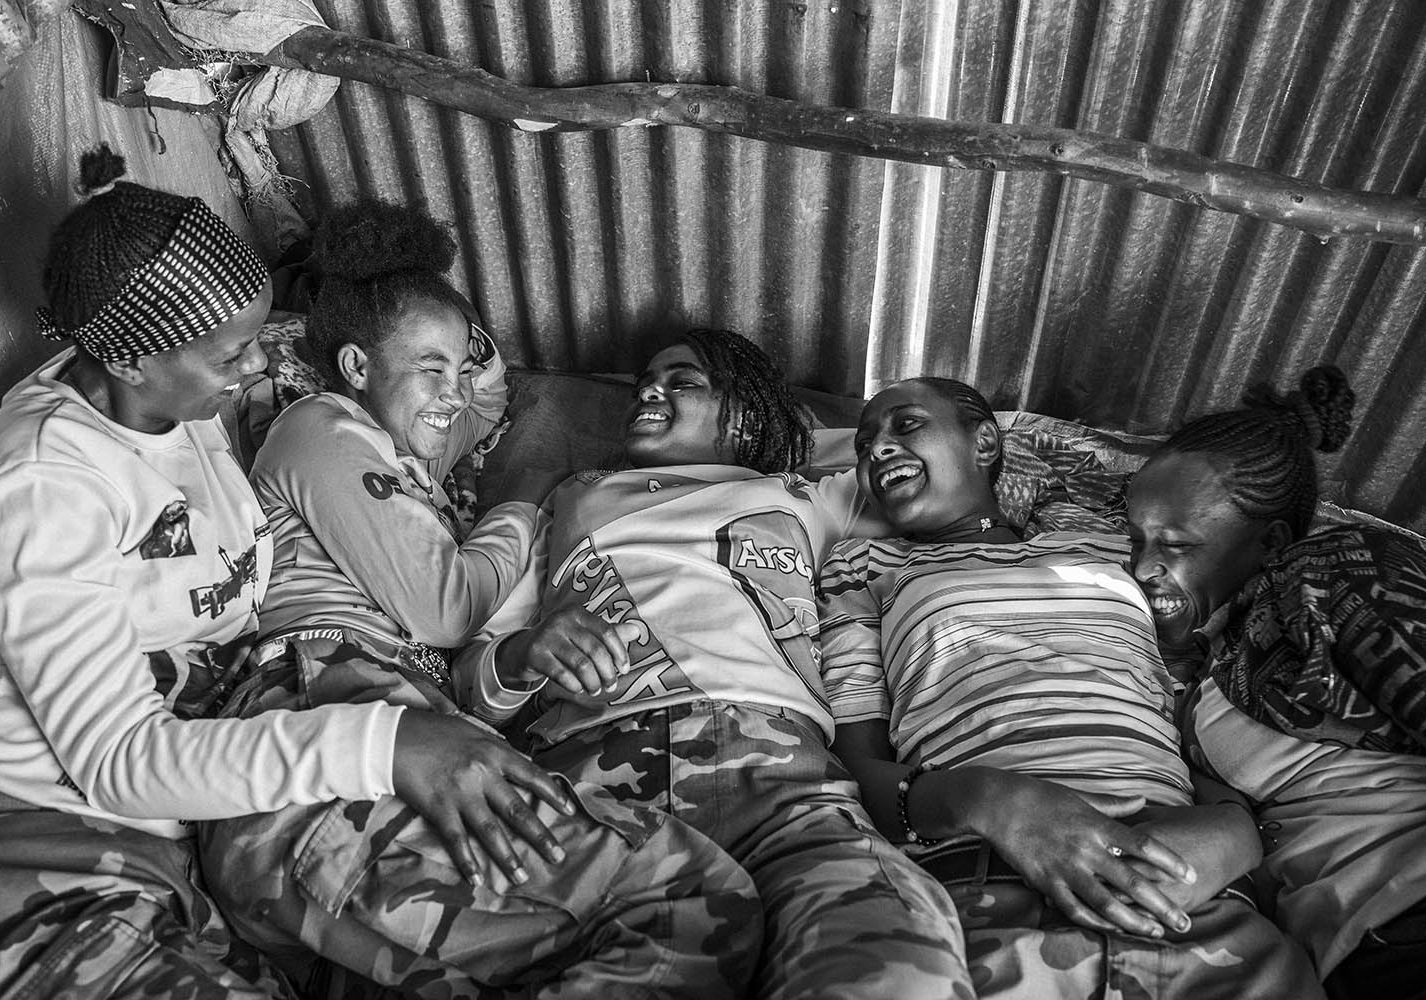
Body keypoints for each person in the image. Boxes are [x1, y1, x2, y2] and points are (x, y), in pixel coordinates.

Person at [199, 204, 762, 998]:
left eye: (458, 367)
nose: (452, 391)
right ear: (357, 366)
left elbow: (491, 401)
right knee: (693, 898)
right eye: (429, 368)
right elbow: (447, 608)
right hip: (324, 710)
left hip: (374, 752)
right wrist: (521, 508)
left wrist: (456, 343)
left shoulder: (406, 463)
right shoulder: (323, 425)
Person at [455, 329, 973, 1000]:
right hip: (601, 781)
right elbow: (471, 681)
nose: (649, 389)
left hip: (785, 783)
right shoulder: (570, 500)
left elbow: (908, 453)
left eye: (682, 382)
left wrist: (783, 436)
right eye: (647, 378)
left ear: (746, 415)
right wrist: (526, 654)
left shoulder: (801, 497)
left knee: (898, 958)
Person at [0, 145, 299, 997]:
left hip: (152, 846)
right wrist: (384, 750)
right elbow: (121, 758)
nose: (259, 369)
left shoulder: (179, 409)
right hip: (26, 846)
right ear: (132, 359)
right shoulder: (39, 485)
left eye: (257, 338)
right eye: (234, 353)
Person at [817, 375, 1322, 999]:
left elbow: (1180, 715)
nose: (877, 450)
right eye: (864, 443)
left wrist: (1237, 829)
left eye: (907, 425)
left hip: (1194, 898)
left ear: (985, 443)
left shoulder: (1119, 548)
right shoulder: (865, 567)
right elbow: (850, 768)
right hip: (987, 897)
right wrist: (992, 801)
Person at [1126, 364, 1426, 997]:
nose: (1142, 566)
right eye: (1136, 541)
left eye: (1175, 544)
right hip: (1342, 951)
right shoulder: (1211, 660)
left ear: (1273, 543)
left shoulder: (1340, 576)